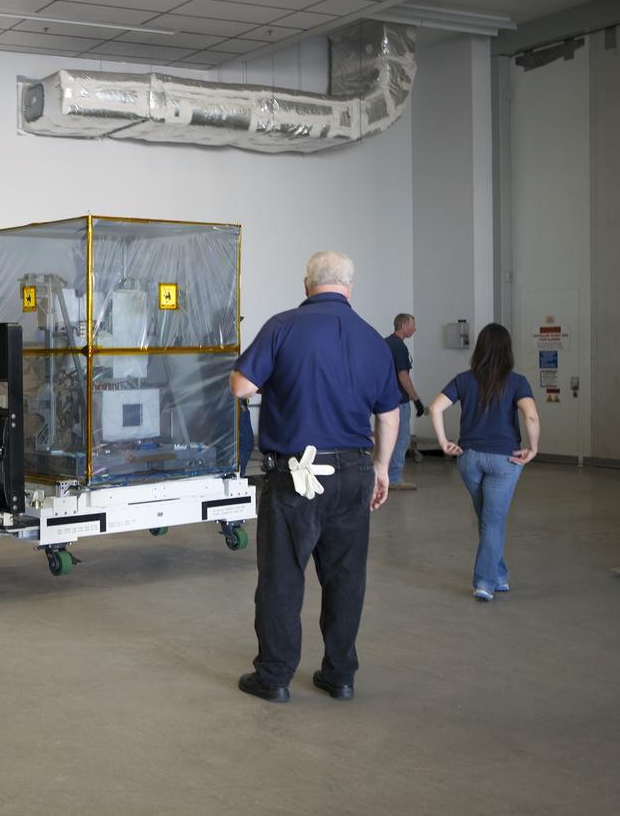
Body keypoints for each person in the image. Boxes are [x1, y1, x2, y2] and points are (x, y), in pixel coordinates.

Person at [231, 251, 400, 705]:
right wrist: (381, 468)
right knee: (346, 578)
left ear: (307, 284)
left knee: (283, 576)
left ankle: (275, 677)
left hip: (297, 473)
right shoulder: (373, 340)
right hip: (354, 471)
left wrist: (284, 380)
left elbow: (241, 387)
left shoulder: (283, 327)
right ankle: (340, 674)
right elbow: (388, 413)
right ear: (350, 287)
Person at [427, 323, 540, 602]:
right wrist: (533, 447)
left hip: (470, 459)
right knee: (492, 521)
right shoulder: (517, 382)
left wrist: (443, 442)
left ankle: (499, 575)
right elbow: (531, 417)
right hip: (506, 460)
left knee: (488, 519)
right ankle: (484, 582)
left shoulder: (464, 380)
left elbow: (435, 408)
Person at [384, 313, 423, 491]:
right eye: (412, 325)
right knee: (402, 439)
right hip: (399, 400)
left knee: (387, 438)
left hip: (385, 400)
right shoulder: (399, 347)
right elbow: (403, 375)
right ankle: (394, 478)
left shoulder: (386, 343)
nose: (415, 329)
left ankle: (385, 475)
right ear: (403, 326)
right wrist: (416, 399)